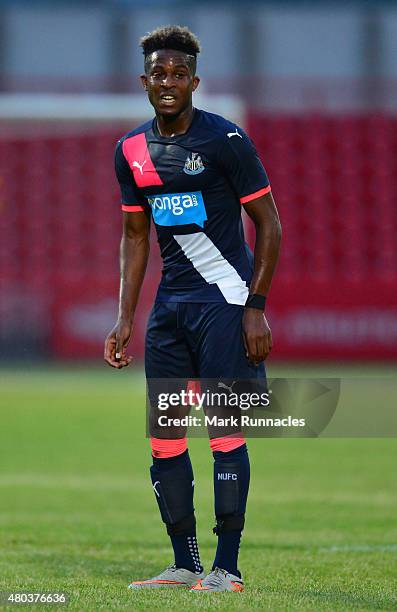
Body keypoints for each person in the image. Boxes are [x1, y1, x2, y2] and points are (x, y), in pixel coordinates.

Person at [104, 25, 281, 593]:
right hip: (170, 312)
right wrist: (125, 318)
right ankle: (185, 565)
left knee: (225, 432)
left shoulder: (225, 141)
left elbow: (270, 225)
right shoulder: (131, 151)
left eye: (179, 74)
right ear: (144, 81)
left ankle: (227, 569)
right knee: (165, 437)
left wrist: (255, 306)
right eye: (159, 73)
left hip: (225, 303)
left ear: (195, 81)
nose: (168, 82)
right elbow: (135, 237)